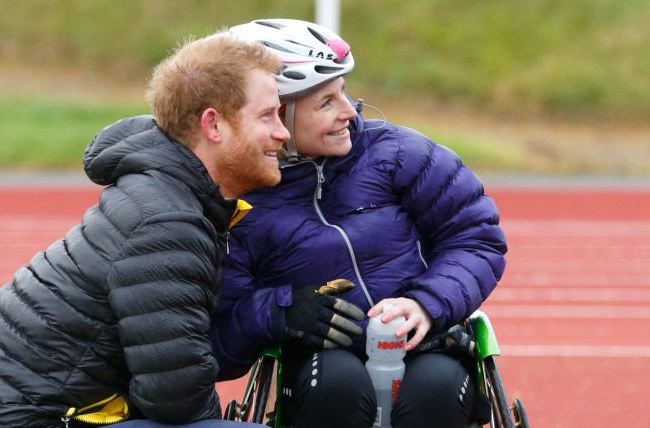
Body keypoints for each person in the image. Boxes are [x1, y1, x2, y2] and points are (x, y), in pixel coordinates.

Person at [0, 32, 289, 428]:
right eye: (267, 116)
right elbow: (175, 399)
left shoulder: (173, 197)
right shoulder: (166, 222)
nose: (283, 132)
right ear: (213, 125)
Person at [210, 19, 508, 428]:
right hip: (322, 365)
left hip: (430, 343)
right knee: (336, 386)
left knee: (435, 390)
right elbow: (222, 337)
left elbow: (476, 238)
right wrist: (283, 311)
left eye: (343, 93)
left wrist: (427, 302)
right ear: (273, 116)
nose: (350, 111)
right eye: (326, 103)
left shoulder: (399, 152)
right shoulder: (236, 204)